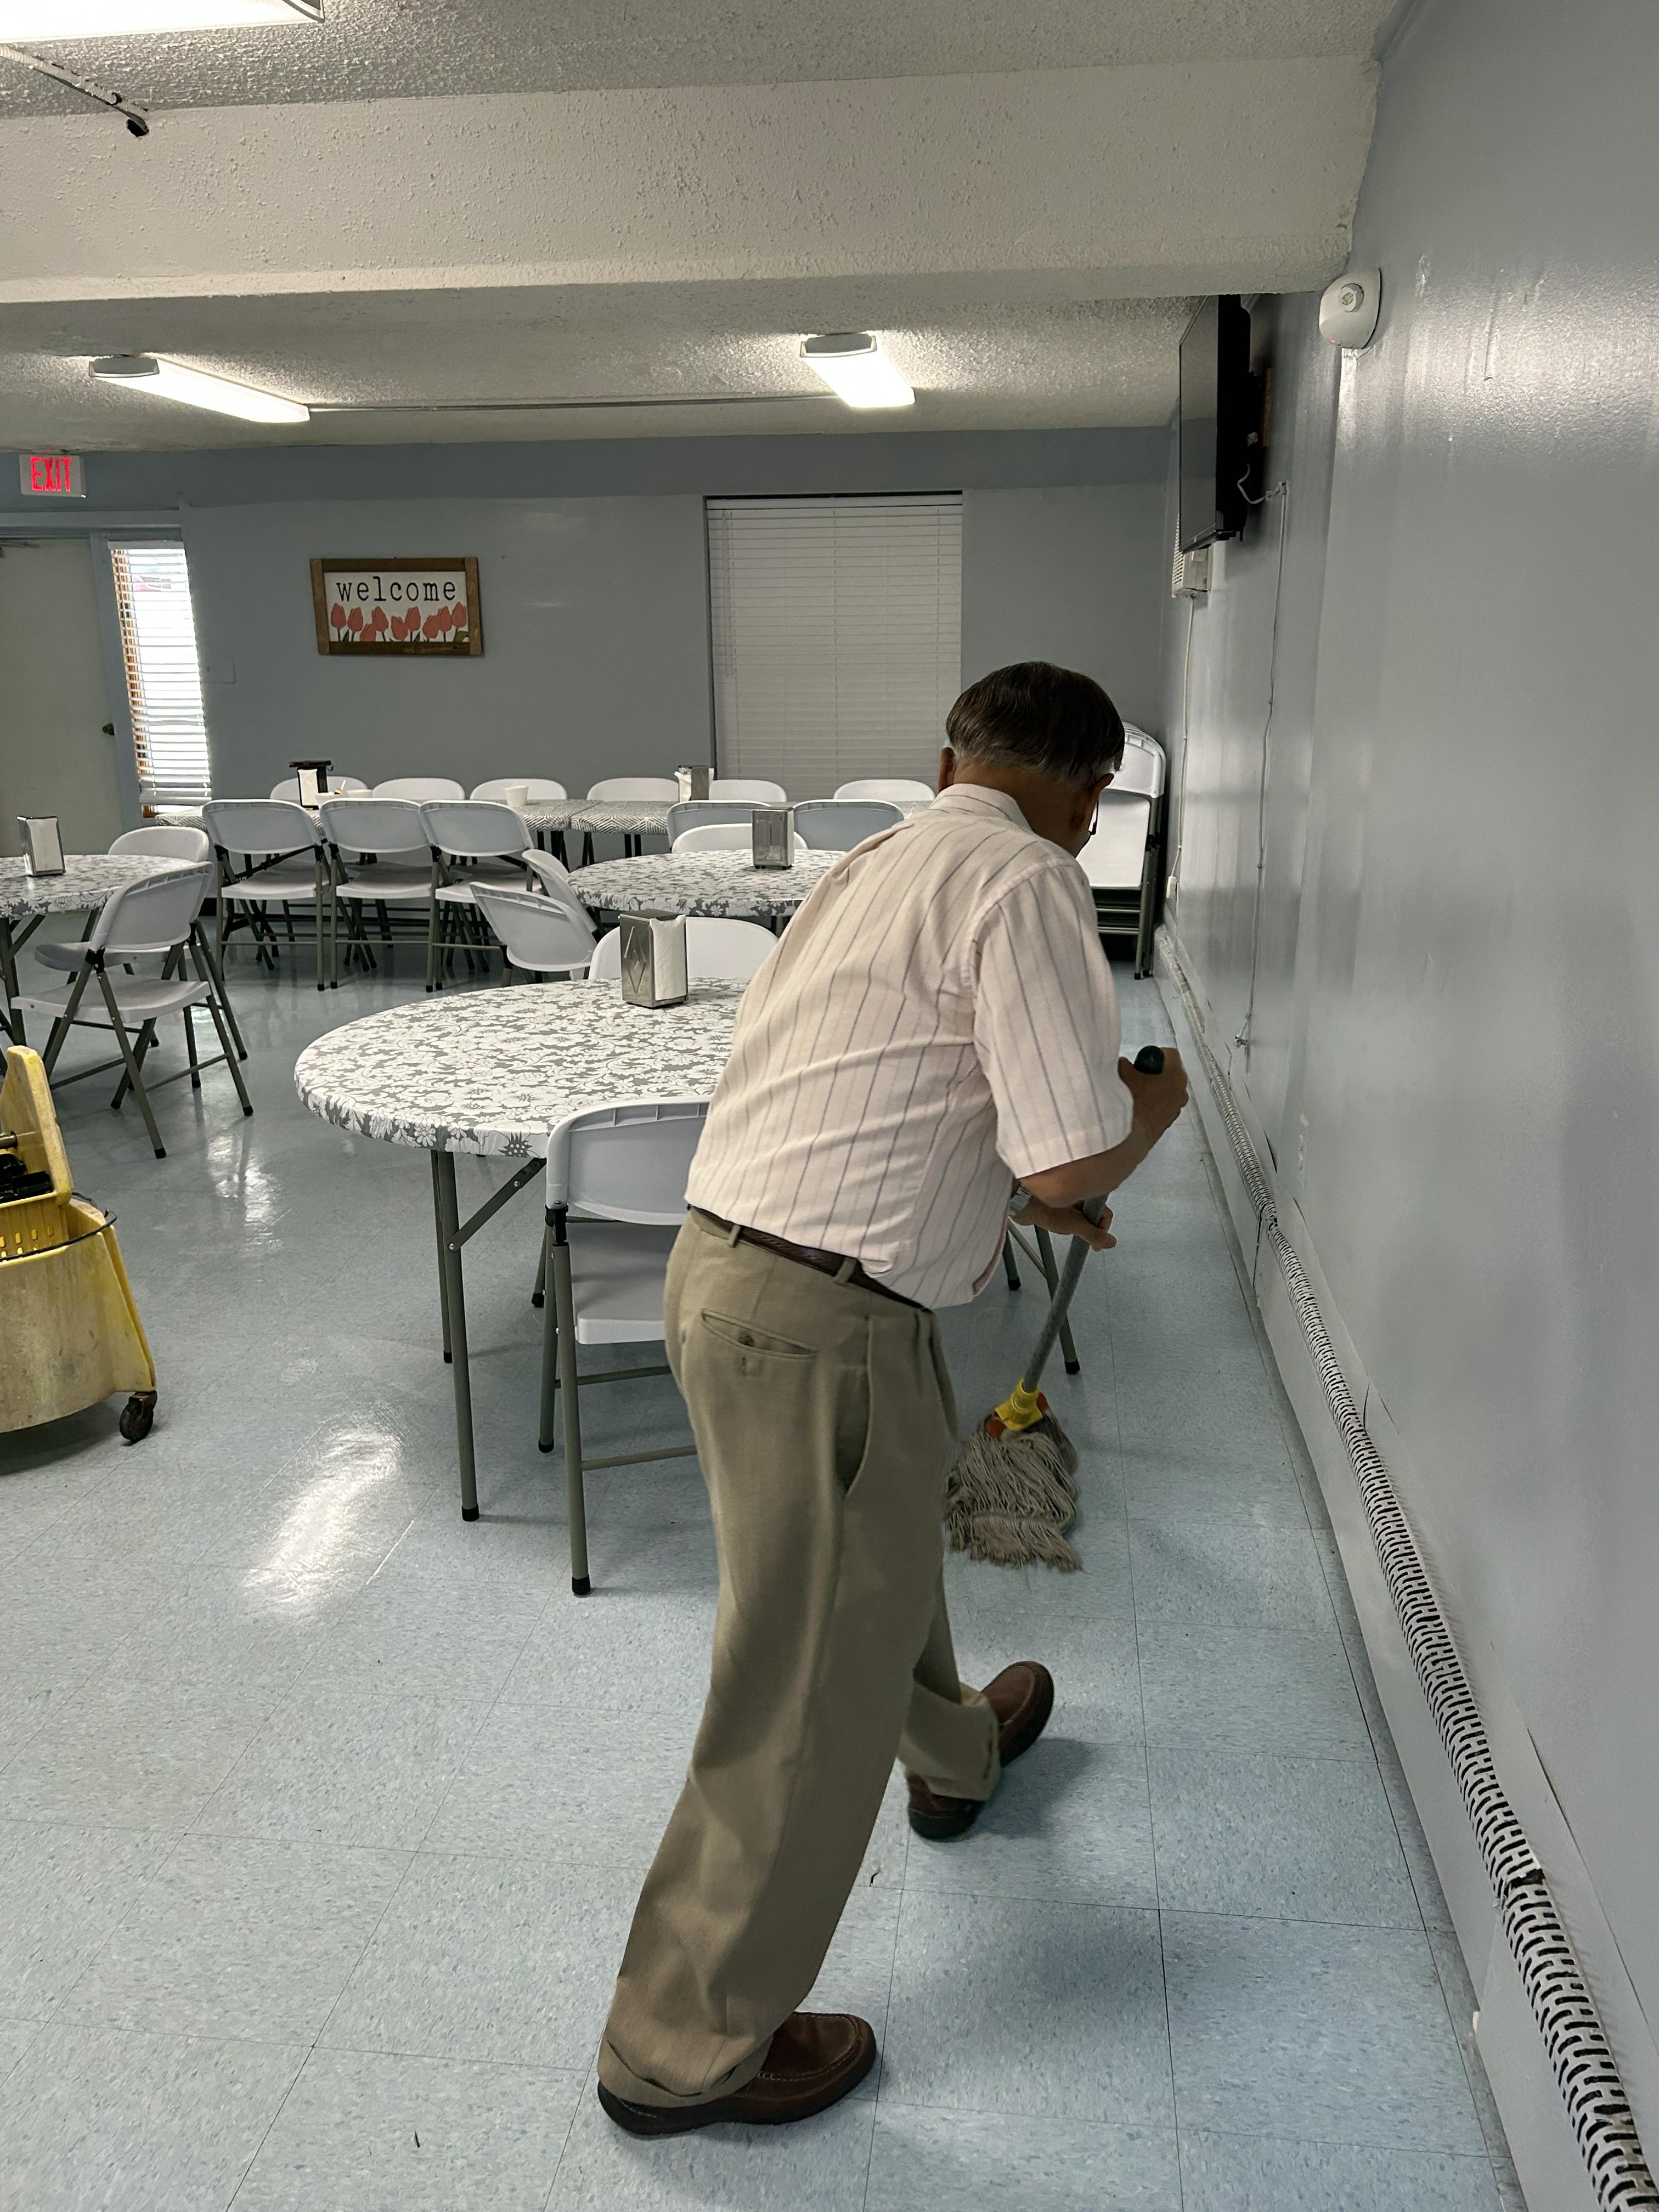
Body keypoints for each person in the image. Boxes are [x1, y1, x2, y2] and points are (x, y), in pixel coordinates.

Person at [596, 660, 1189, 2135]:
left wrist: (1021, 1188)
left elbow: (894, 1082)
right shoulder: (1034, 881)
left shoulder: (874, 862)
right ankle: (681, 2047)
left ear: (947, 765)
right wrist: (1148, 1113)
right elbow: (1071, 1152)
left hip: (734, 1272)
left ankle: (953, 1754)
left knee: (875, 1554)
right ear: (1090, 797)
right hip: (824, 1318)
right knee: (798, 1684)